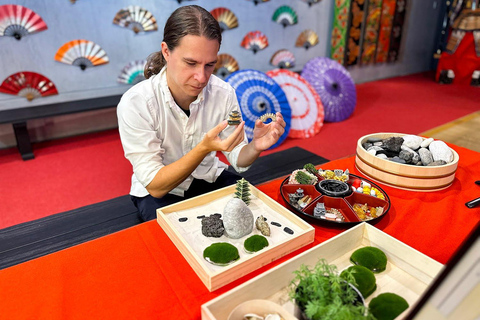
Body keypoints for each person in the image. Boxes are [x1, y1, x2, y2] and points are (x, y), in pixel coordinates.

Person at [117, 5, 286, 221]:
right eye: (191, 63)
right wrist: (203, 148)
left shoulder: (223, 93)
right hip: (159, 191)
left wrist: (255, 147)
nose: (202, 77)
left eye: (210, 65)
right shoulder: (137, 102)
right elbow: (155, 186)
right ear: (166, 51)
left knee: (255, 212)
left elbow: (238, 160)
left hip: (207, 177)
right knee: (175, 243)